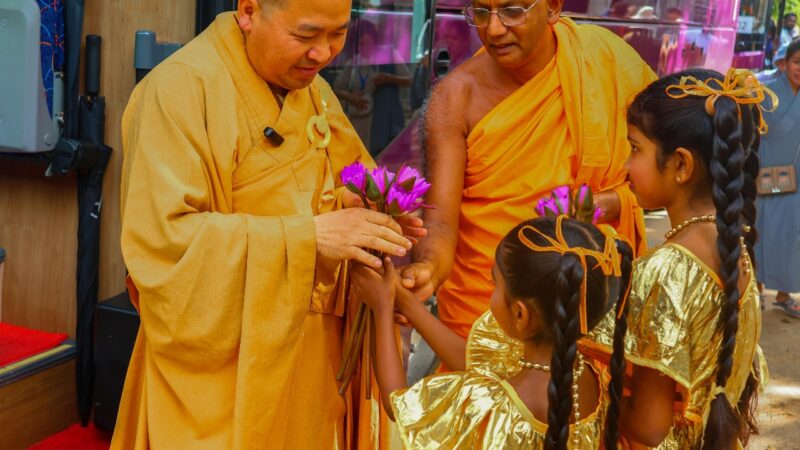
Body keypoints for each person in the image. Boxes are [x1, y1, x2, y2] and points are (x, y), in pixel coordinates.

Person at [112, 0, 425, 448]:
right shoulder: (177, 91)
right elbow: (164, 246)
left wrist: (370, 212)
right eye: (305, 36)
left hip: (312, 354)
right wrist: (308, 238)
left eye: (337, 34)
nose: (322, 54)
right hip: (222, 369)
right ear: (249, 11)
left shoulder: (311, 88)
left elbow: (337, 181)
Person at [400, 0, 657, 341]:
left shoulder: (604, 61)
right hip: (489, 308)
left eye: (512, 10)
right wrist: (428, 269)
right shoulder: (455, 98)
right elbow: (441, 223)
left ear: (552, 8)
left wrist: (605, 203)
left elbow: (663, 173)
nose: (492, 29)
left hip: (587, 300)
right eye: (480, 11)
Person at [590, 68, 768, 448]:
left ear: (682, 165)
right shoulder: (734, 245)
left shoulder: (667, 270)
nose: (625, 166)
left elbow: (649, 428)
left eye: (635, 149)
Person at [351, 216, 634, 449]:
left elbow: (398, 403)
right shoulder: (595, 379)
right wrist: (407, 303)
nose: (492, 291)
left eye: (494, 283)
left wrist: (382, 308)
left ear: (521, 315)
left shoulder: (489, 402)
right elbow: (474, 363)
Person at [756, 39, 800, 318]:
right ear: (785, 63)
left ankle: (784, 295)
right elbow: (754, 135)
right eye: (798, 62)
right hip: (769, 173)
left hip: (798, 179)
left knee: (792, 236)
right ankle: (756, 289)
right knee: (762, 230)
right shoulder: (767, 94)